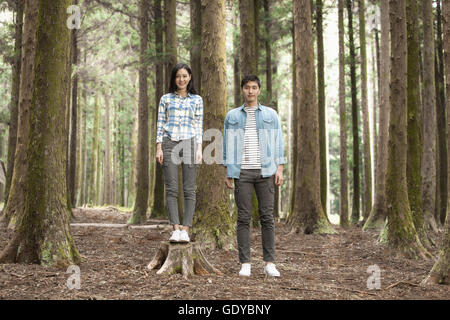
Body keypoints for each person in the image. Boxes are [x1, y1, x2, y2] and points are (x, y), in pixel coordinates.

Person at [222, 74, 286, 277]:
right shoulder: (232, 116)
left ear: (259, 90)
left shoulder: (271, 115)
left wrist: (280, 167)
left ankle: (269, 263)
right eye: (247, 87)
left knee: (267, 217)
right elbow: (226, 144)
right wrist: (228, 171)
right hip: (242, 172)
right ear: (242, 90)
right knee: (243, 217)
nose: (250, 91)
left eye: (254, 88)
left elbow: (278, 142)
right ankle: (245, 263)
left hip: (266, 171)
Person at [155, 63, 203, 243]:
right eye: (178, 76)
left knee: (190, 189)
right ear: (174, 79)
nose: (181, 79)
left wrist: (199, 148)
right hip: (169, 142)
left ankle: (186, 230)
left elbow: (199, 125)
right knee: (172, 188)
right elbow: (160, 124)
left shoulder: (197, 100)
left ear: (190, 77)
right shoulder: (166, 99)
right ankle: (175, 228)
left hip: (190, 142)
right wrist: (159, 147)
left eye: (184, 76)